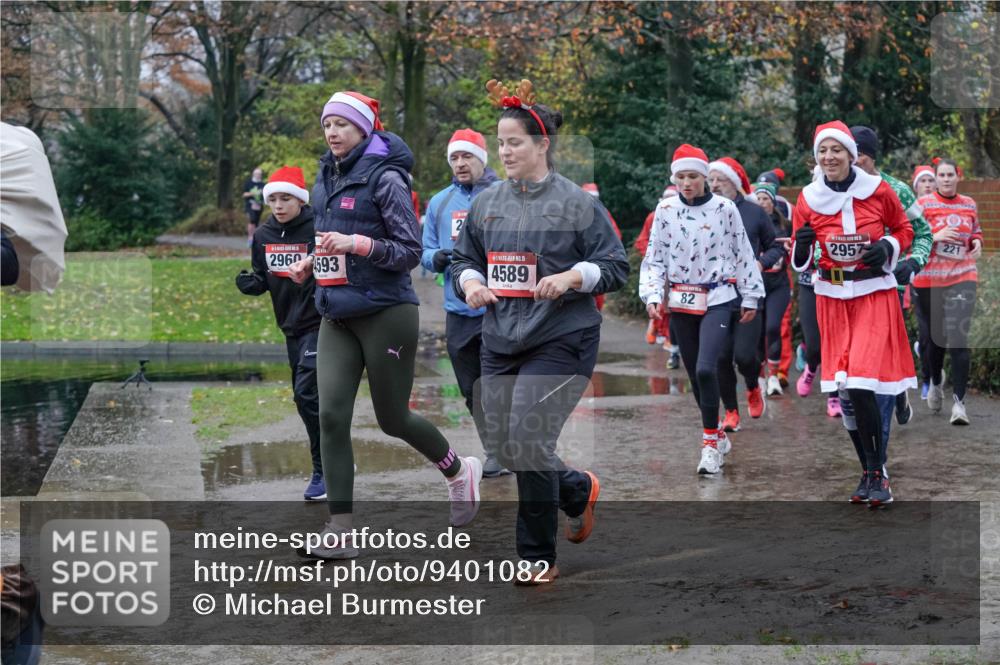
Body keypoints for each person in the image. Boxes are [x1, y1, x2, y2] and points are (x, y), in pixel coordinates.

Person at [288, 90, 483, 560]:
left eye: (341, 124)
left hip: (386, 312)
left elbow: (410, 252)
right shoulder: (325, 175)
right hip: (336, 313)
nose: (332, 132)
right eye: (327, 124)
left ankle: (458, 471)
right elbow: (329, 238)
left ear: (363, 128)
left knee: (392, 418)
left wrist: (356, 244)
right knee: (330, 416)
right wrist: (312, 262)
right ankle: (340, 530)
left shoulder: (387, 177)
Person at [451, 79, 628, 584]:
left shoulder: (577, 203)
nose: (505, 152)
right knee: (508, 447)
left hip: (562, 339)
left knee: (527, 440)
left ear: (542, 144)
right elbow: (464, 258)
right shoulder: (486, 203)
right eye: (500, 143)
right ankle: (575, 489)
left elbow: (615, 265)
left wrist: (572, 277)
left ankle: (535, 556)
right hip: (500, 339)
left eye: (515, 142)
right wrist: (472, 283)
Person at [791, 121, 915, 506]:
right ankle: (868, 472)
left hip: (873, 294)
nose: (829, 157)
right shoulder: (808, 199)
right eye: (822, 151)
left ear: (851, 154)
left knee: (860, 382)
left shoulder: (878, 190)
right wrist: (803, 247)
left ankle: (878, 473)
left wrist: (888, 247)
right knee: (844, 389)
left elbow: (904, 229)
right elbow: (800, 258)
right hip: (831, 297)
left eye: (836, 150)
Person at [640, 144, 764, 475]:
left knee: (708, 369)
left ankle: (709, 444)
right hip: (681, 301)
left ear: (704, 177)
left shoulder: (724, 208)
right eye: (680, 177)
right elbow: (655, 258)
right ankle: (716, 433)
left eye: (693, 176)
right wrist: (653, 295)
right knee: (696, 374)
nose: (686, 183)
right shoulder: (665, 210)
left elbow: (743, 251)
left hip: (718, 297)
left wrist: (751, 295)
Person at [420, 128, 508, 477]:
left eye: (467, 156)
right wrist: (436, 258)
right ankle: (494, 447)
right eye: (454, 158)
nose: (460, 163)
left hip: (499, 308)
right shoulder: (440, 202)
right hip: (457, 310)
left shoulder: (505, 194)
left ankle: (504, 450)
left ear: (482, 159)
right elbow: (424, 251)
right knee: (471, 388)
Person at [236, 166, 326, 500]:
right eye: (272, 199)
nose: (278, 205)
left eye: (285, 198)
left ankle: (323, 470)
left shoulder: (318, 227)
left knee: (306, 393)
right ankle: (335, 456)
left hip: (321, 322)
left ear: (300, 200)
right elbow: (263, 275)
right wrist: (252, 283)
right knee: (309, 400)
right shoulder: (263, 235)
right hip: (290, 326)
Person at [850, 125, 933, 445]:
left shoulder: (896, 190)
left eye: (858, 155)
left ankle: (878, 455)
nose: (852, 161)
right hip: (847, 292)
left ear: (871, 157)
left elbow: (923, 232)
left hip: (889, 288)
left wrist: (912, 263)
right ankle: (898, 391)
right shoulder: (833, 191)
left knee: (880, 364)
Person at [708, 156, 781, 433]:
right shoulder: (705, 211)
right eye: (711, 180)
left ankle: (752, 386)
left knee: (745, 356)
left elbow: (775, 247)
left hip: (748, 294)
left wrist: (759, 264)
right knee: (721, 357)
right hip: (716, 296)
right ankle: (731, 411)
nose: (714, 185)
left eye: (720, 180)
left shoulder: (754, 212)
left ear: (735, 183)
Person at [912, 157, 982, 425]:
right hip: (929, 280)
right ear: (936, 178)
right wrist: (935, 236)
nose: (945, 179)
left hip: (962, 275)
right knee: (934, 339)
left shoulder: (969, 204)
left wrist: (976, 242)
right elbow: (909, 236)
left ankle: (959, 404)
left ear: (958, 176)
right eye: (941, 175)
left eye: (950, 174)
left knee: (958, 338)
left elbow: (975, 231)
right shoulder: (923, 205)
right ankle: (934, 381)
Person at [752, 180, 793, 411]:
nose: (761, 202)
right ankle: (760, 378)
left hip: (778, 284)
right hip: (757, 286)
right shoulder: (751, 223)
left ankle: (775, 376)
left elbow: (797, 248)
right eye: (758, 199)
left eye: (765, 199)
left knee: (773, 327)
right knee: (758, 332)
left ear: (772, 202)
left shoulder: (784, 224)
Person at [635, 185, 681, 368]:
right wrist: (653, 256)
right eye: (666, 197)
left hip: (678, 268)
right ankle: (657, 326)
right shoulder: (653, 216)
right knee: (661, 301)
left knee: (673, 305)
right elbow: (642, 240)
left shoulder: (684, 215)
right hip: (660, 267)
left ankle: (668, 336)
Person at [581, 183, 623, 312]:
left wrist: (605, 255)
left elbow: (615, 236)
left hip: (596, 264)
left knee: (596, 300)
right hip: (577, 266)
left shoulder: (603, 213)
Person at [242, 167, 265, 247]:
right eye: (257, 174)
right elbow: (244, 194)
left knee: (256, 222)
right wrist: (254, 193)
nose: (258, 175)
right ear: (253, 174)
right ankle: (250, 238)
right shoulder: (248, 183)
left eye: (259, 174)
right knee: (252, 220)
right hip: (250, 204)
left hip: (259, 205)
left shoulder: (263, 184)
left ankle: (255, 238)